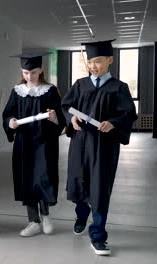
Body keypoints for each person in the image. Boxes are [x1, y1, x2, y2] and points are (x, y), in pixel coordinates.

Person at [61, 39, 137, 256]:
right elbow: (66, 106)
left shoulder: (118, 88)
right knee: (79, 183)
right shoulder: (80, 84)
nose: (93, 66)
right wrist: (71, 119)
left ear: (110, 60)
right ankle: (81, 215)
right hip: (80, 143)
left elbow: (129, 114)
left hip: (104, 146)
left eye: (98, 61)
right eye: (90, 62)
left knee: (100, 188)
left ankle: (98, 236)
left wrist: (113, 122)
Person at [2, 52, 66, 237]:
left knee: (43, 177)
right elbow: (8, 114)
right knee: (27, 179)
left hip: (44, 142)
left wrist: (54, 118)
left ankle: (45, 215)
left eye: (34, 72)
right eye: (25, 72)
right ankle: (33, 221)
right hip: (24, 142)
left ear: (41, 70)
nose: (29, 76)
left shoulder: (50, 90)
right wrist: (11, 122)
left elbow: (60, 119)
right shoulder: (17, 91)